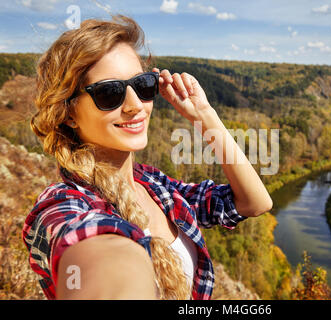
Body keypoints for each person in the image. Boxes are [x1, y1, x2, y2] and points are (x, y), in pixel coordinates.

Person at [22, 14, 272, 300]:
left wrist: (205, 117)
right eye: (109, 93)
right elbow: (89, 248)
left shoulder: (156, 186)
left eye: (143, 86)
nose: (134, 105)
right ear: (67, 114)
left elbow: (254, 202)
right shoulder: (64, 204)